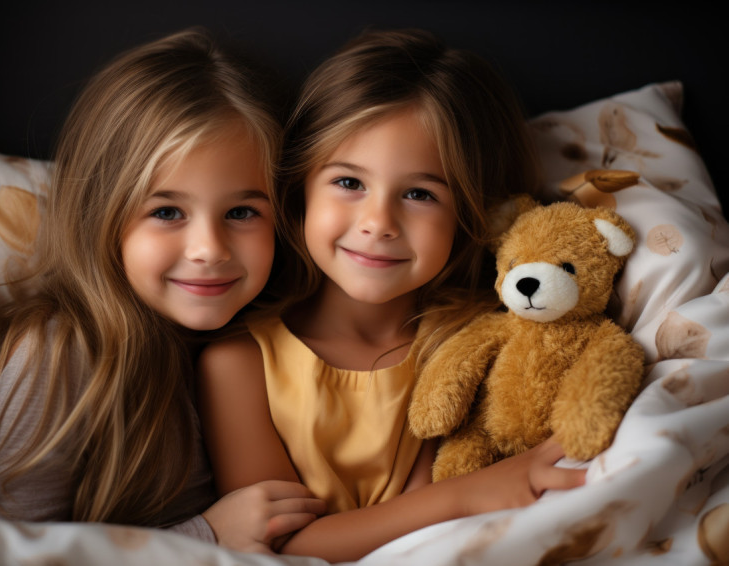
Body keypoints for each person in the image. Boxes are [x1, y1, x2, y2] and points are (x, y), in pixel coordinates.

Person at [198, 28, 586, 562]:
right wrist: (468, 494)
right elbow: (282, 544)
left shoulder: (476, 339)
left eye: (419, 193)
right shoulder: (239, 362)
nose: (379, 223)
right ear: (300, 188)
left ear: (472, 214)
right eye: (349, 183)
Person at [0, 29, 324, 554]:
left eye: (242, 212)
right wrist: (208, 536)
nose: (209, 248)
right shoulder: (61, 353)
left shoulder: (282, 338)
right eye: (166, 212)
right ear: (103, 213)